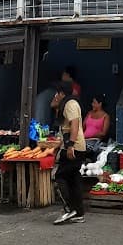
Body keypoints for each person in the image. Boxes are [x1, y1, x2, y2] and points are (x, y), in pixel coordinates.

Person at [52, 82, 87, 224]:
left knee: (59, 176)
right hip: (74, 146)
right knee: (73, 179)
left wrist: (70, 145)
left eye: (57, 93)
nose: (55, 96)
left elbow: (75, 124)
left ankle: (68, 209)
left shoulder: (70, 104)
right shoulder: (67, 104)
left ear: (62, 93)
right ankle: (78, 212)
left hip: (74, 147)